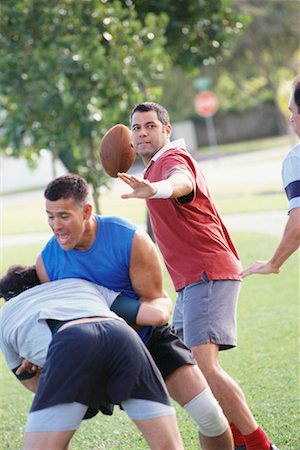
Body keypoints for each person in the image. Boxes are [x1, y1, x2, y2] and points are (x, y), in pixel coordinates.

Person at [118, 101, 280, 450]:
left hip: (207, 272)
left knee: (204, 366)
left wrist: (157, 188)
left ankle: (258, 444)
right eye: (137, 128)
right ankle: (236, 438)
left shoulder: (172, 161)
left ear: (167, 130)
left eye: (150, 126)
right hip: (191, 281)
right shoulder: (151, 171)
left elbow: (181, 182)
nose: (143, 133)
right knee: (186, 368)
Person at [35, 173, 234, 450]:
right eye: (50, 217)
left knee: (210, 415)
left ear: (87, 211)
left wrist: (119, 330)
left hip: (148, 339)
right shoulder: (47, 261)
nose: (56, 226)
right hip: (91, 354)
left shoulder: (129, 240)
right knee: (51, 435)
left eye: (64, 216)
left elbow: (157, 303)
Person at [0, 265, 184, 450]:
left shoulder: (6, 313)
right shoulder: (77, 284)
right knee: (168, 446)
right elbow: (152, 314)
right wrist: (162, 297)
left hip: (70, 345)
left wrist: (45, 363)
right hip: (122, 335)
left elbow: (33, 384)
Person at [241, 75, 300, 278]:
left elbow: (299, 221)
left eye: (293, 111)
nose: (291, 118)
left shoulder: (296, 158)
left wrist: (274, 263)